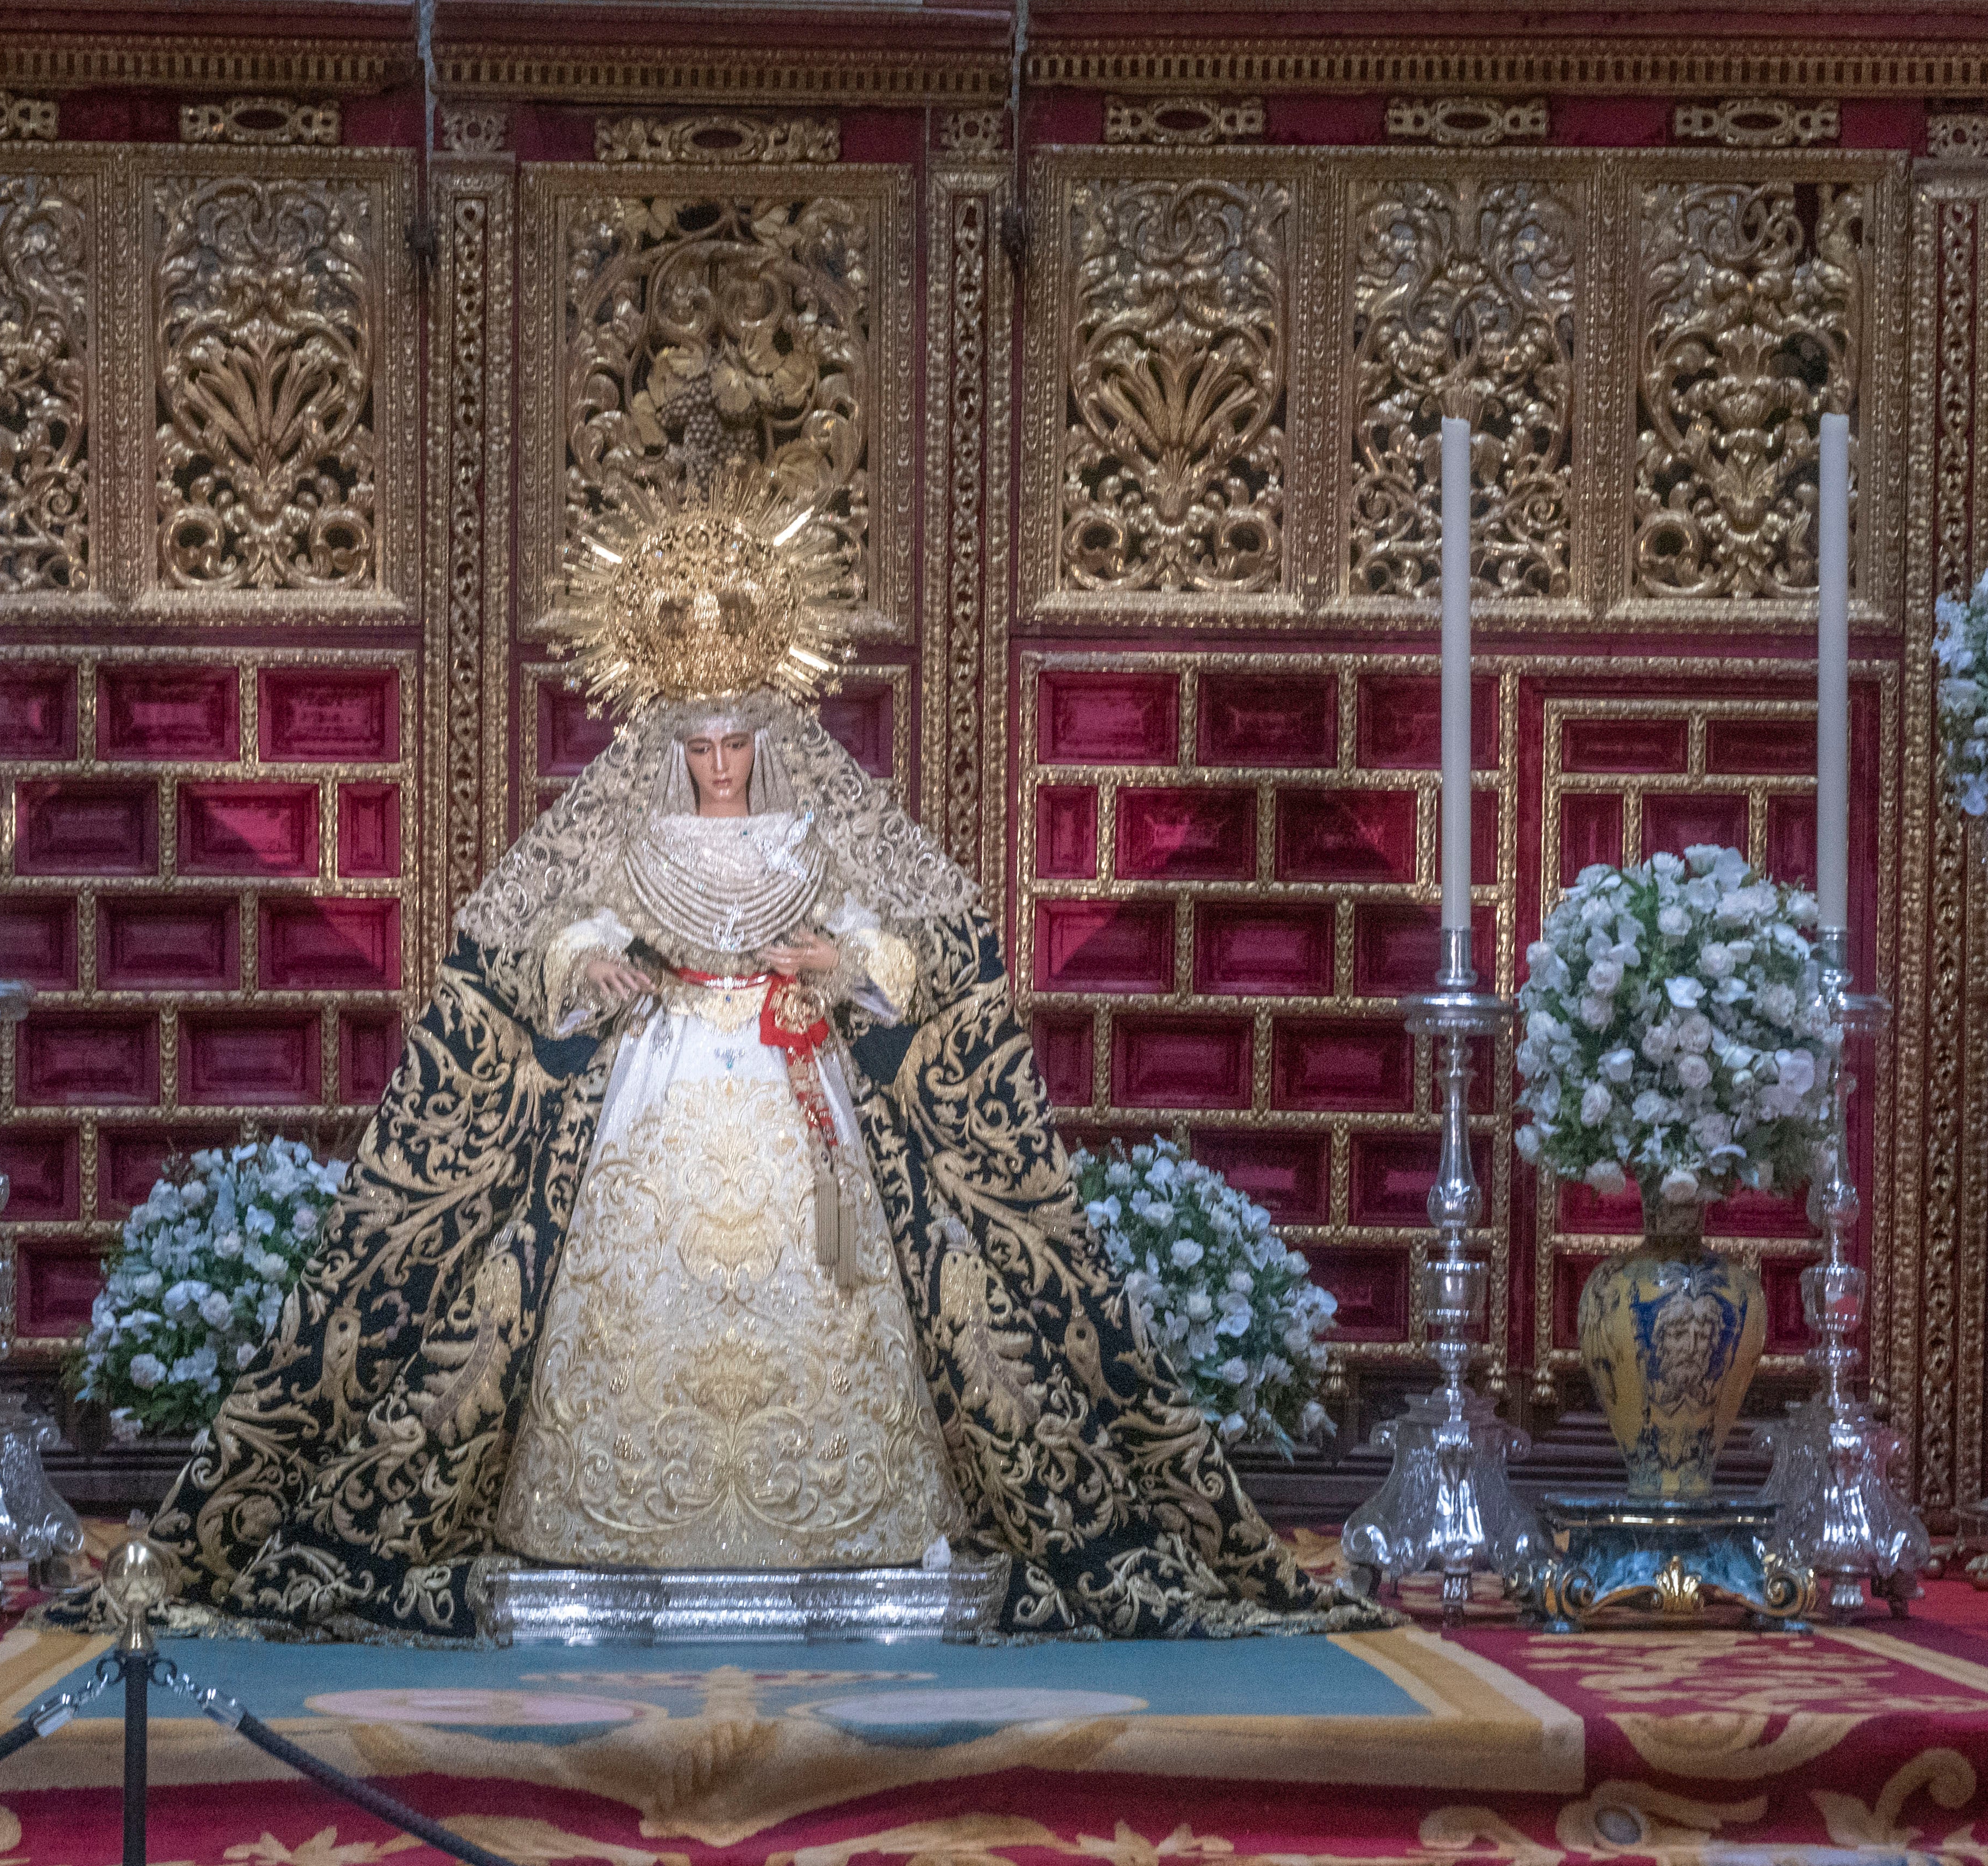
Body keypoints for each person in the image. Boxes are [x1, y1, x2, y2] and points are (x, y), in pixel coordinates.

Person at [133, 454, 1316, 1641]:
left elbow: (891, 938)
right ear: (671, 745)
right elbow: (569, 924)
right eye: (697, 745)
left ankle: (839, 1509)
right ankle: (614, 1510)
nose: (716, 764)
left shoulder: (809, 835)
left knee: (826, 1282)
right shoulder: (637, 836)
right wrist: (586, 966)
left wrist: (845, 962)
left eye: (732, 743)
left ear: (762, 738)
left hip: (794, 1073)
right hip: (658, 1071)